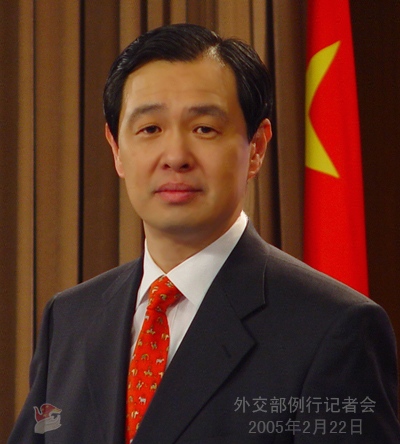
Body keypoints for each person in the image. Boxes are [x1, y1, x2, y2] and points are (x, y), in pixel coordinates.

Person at [8, 23, 400, 444]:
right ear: (116, 149)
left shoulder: (335, 328)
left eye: (204, 129)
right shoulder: (70, 318)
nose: (175, 156)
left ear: (256, 147)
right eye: (150, 129)